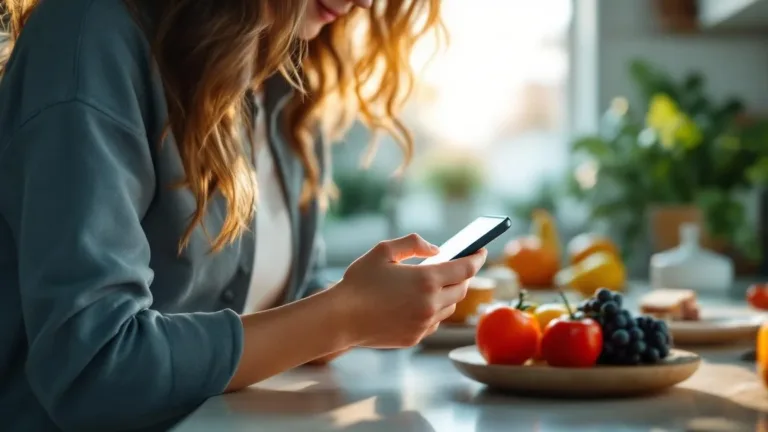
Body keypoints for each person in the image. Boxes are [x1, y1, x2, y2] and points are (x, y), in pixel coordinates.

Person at [0, 0, 487, 430]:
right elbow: (94, 369)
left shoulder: (285, 76)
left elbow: (273, 298)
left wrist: (367, 305)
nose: (365, 2)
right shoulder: (88, 37)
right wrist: (343, 316)